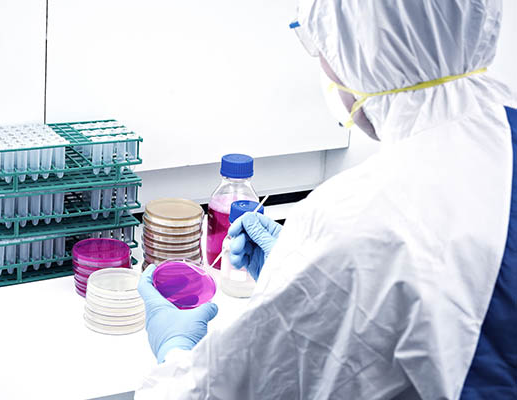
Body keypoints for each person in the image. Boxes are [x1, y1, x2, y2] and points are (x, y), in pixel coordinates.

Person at [136, 0, 517, 398]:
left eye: (319, 42)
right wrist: (303, 271)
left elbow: (214, 391)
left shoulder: (359, 219)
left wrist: (174, 350)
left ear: (357, 42)